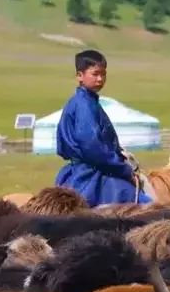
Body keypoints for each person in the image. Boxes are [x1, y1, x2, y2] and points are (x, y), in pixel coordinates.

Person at [54, 49, 152, 207]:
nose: (100, 79)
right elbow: (93, 147)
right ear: (80, 75)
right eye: (95, 74)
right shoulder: (84, 105)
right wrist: (124, 170)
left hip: (82, 171)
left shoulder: (87, 102)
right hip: (91, 176)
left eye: (103, 74)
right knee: (147, 206)